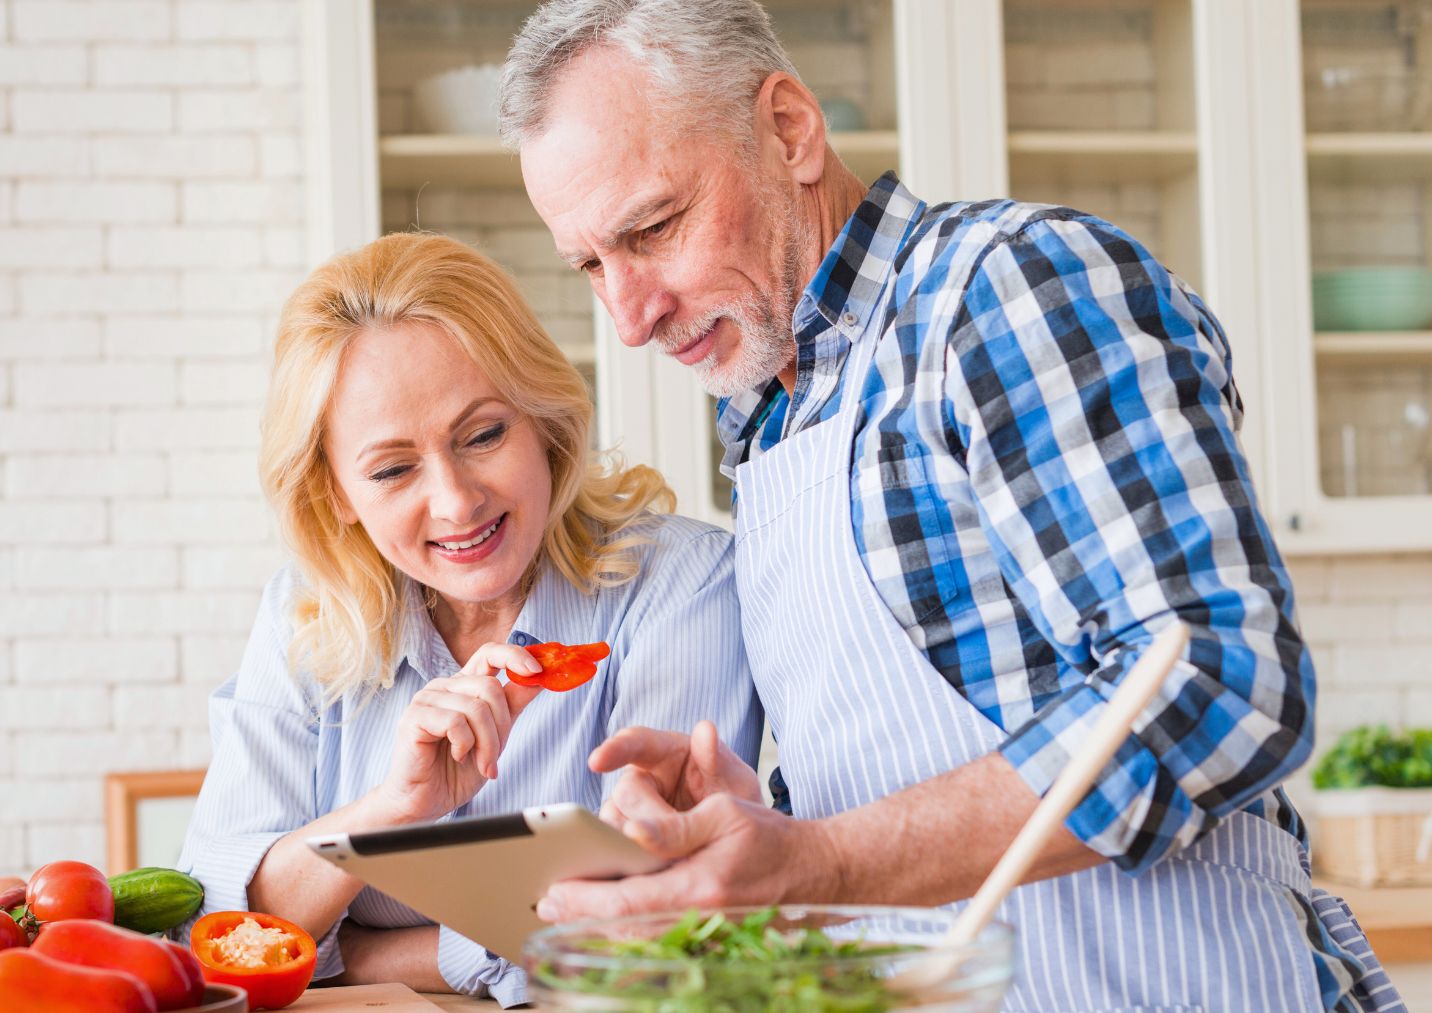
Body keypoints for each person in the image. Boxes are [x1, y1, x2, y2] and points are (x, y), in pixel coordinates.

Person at [500, 2, 1400, 1010]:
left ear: (789, 130)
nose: (628, 315)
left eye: (654, 227)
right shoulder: (771, 418)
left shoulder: (1005, 289)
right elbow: (914, 789)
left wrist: (819, 857)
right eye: (590, 263)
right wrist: (766, 826)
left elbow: (1224, 683)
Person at [173, 231, 763, 1006]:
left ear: (543, 420)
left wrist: (364, 950)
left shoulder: (682, 585)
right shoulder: (304, 615)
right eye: (392, 469)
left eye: (483, 434)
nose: (456, 501)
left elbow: (649, 929)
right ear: (338, 496)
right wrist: (389, 813)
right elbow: (217, 936)